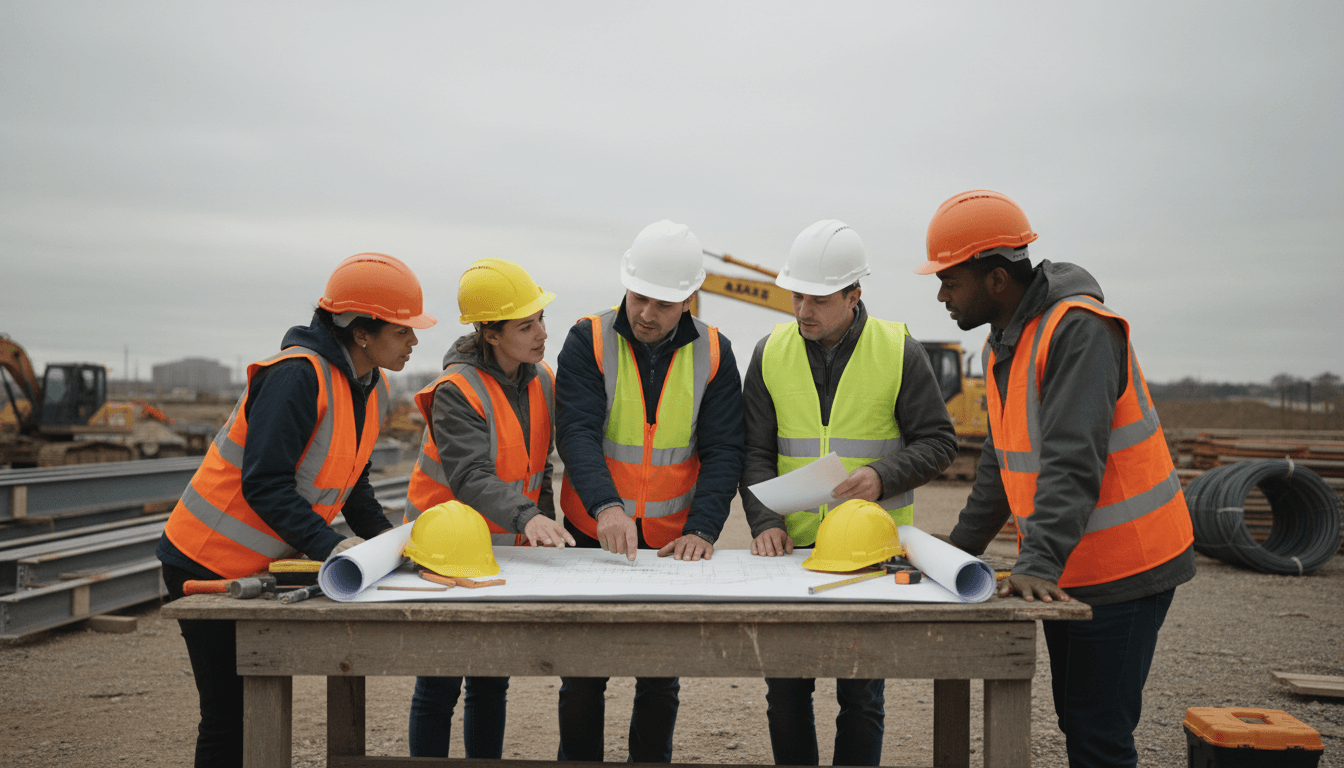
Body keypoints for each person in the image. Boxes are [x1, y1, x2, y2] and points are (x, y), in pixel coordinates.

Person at [914, 190, 1195, 767]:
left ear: (996, 279)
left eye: (950, 279)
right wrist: (956, 553)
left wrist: (1037, 563)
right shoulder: (1009, 339)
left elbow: (1073, 459)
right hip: (1072, 564)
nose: (941, 294)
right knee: (1079, 721)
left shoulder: (1078, 331)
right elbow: (999, 463)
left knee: (1098, 735)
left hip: (1126, 566)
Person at [157, 252, 436, 768]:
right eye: (403, 332)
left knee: (252, 704)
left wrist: (392, 544)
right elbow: (264, 484)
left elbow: (356, 491)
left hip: (254, 565)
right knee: (228, 716)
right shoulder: (296, 377)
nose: (414, 342)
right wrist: (333, 546)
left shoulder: (369, 389)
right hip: (203, 561)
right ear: (361, 333)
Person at [739, 219, 957, 767]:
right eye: (797, 296)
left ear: (855, 294)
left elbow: (938, 441)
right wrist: (765, 522)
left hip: (868, 555)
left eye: (819, 297)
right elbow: (754, 453)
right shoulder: (769, 352)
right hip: (790, 551)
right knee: (786, 692)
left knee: (861, 694)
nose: (803, 309)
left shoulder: (898, 351)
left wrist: (884, 476)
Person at [554, 219, 745, 762]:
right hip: (591, 533)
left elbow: (725, 450)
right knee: (584, 679)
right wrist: (605, 506)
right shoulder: (587, 338)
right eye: (639, 297)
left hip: (670, 543)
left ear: (689, 298)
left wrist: (703, 528)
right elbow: (577, 432)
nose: (646, 314)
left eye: (663, 304)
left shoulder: (714, 352)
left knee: (660, 680)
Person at [403, 258, 574, 758]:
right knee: (438, 686)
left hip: (502, 553)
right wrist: (530, 517)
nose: (542, 333)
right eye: (526, 325)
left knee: (490, 680)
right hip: (442, 556)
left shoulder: (542, 378)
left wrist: (540, 527)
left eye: (541, 318)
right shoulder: (456, 392)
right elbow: (470, 475)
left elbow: (538, 465)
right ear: (490, 334)